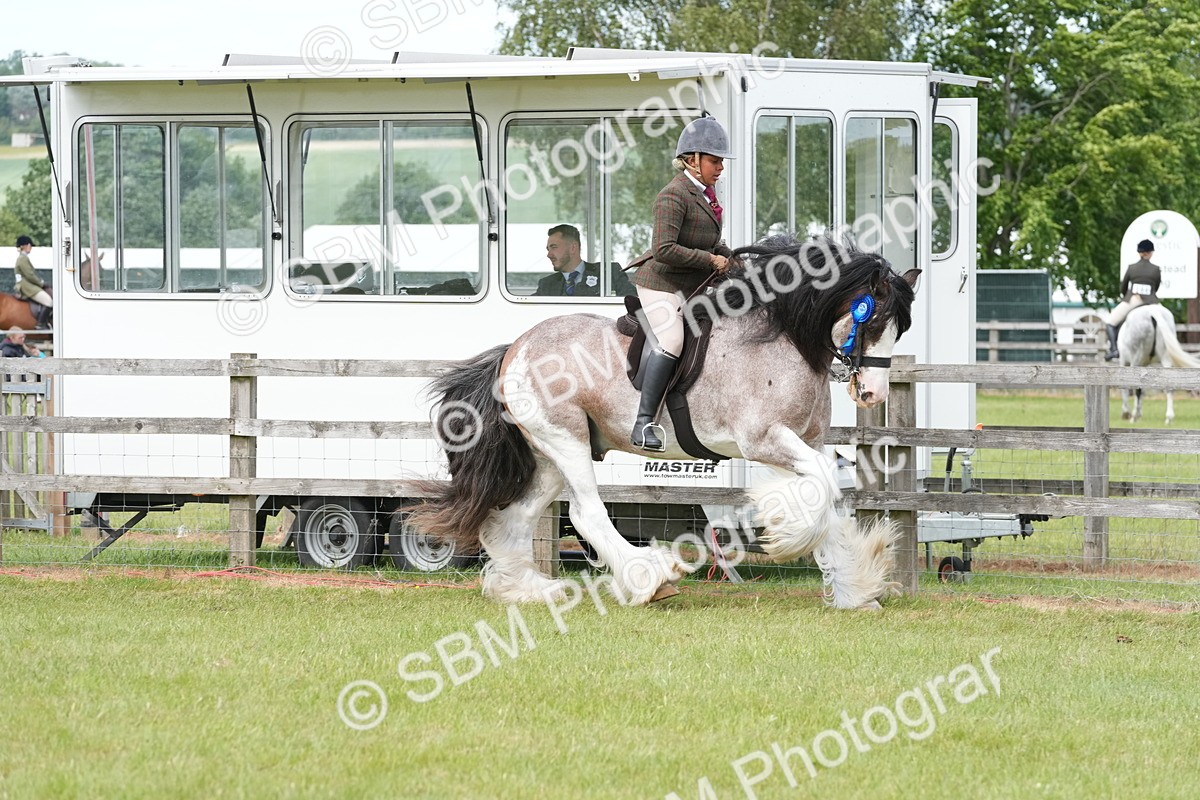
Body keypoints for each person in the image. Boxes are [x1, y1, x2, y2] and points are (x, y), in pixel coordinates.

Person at [625, 116, 736, 451]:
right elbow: (664, 249)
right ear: (692, 160)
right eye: (714, 161)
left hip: (691, 284)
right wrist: (711, 261)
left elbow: (709, 241)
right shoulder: (672, 195)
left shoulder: (707, 194)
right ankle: (643, 423)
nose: (719, 168)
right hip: (660, 283)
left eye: (720, 162)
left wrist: (734, 257)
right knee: (672, 339)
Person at [534, 224, 635, 298]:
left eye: (554, 247)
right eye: (548, 249)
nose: (549, 254)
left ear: (573, 248)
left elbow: (633, 303)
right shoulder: (547, 284)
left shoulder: (608, 272)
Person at [1104, 239, 1162, 361]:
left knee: (1110, 322)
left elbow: (1123, 287)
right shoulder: (1156, 269)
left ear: (1139, 253)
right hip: (1151, 301)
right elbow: (1156, 287)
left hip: (1133, 299)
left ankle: (1114, 350)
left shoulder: (1132, 268)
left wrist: (1127, 297)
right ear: (1150, 253)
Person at [14, 235, 52, 329]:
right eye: (30, 245)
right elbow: (29, 275)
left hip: (28, 284)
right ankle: (40, 324)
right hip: (26, 286)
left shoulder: (23, 258)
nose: (31, 248)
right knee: (49, 302)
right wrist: (41, 283)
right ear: (25, 246)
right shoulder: (23, 259)